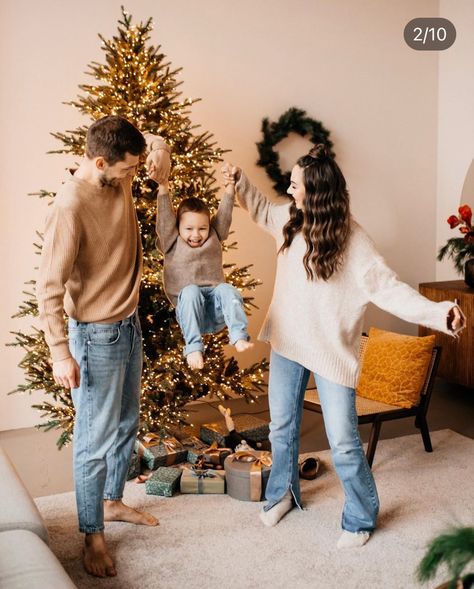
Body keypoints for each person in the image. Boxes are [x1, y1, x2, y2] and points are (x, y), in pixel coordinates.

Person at [221, 145, 466, 549]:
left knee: (344, 442)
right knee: (282, 429)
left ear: (314, 192)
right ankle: (281, 494)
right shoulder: (290, 220)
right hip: (286, 343)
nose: (289, 188)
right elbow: (263, 209)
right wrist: (240, 181)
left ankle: (359, 517)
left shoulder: (354, 242)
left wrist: (439, 313)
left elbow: (390, 290)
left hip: (331, 354)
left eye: (294, 184)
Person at [37, 115, 171, 577]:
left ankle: (113, 501)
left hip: (128, 323)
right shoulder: (70, 206)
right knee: (93, 441)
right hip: (94, 336)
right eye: (128, 171)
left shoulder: (119, 167)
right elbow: (48, 289)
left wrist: (159, 151)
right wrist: (59, 352)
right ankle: (92, 536)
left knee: (127, 422)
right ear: (99, 162)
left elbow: (153, 139)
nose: (133, 177)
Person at [156, 162, 253, 370]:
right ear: (178, 228)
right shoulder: (171, 240)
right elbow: (164, 219)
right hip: (190, 308)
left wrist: (230, 187)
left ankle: (238, 335)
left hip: (216, 308)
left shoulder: (215, 235)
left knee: (227, 289)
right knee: (190, 291)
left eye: (202, 228)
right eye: (189, 228)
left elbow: (225, 215)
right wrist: (163, 187)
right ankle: (194, 347)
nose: (196, 234)